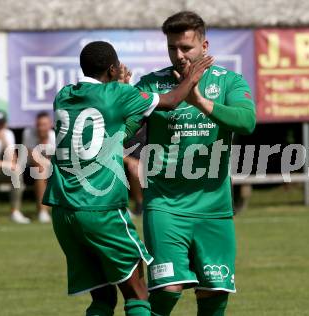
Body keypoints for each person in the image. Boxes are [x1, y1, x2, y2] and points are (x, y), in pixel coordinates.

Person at [42, 41, 213, 316]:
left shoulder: (64, 95)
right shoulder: (118, 93)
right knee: (137, 294)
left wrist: (122, 89)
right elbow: (169, 101)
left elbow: (113, 124)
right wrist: (193, 76)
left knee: (102, 299)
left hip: (63, 211)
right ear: (112, 69)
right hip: (99, 207)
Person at [134, 11, 256, 315]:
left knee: (214, 293)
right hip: (164, 204)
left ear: (204, 45)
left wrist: (200, 101)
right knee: (167, 290)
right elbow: (124, 127)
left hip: (213, 207)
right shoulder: (152, 83)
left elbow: (247, 121)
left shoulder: (229, 82)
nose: (179, 55)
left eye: (186, 48)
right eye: (172, 48)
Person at [22, 111, 55, 223]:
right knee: (41, 170)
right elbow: (33, 158)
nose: (41, 128)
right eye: (39, 125)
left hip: (49, 170)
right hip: (27, 170)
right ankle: (42, 211)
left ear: (50, 124)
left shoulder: (54, 137)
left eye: (44, 125)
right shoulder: (28, 133)